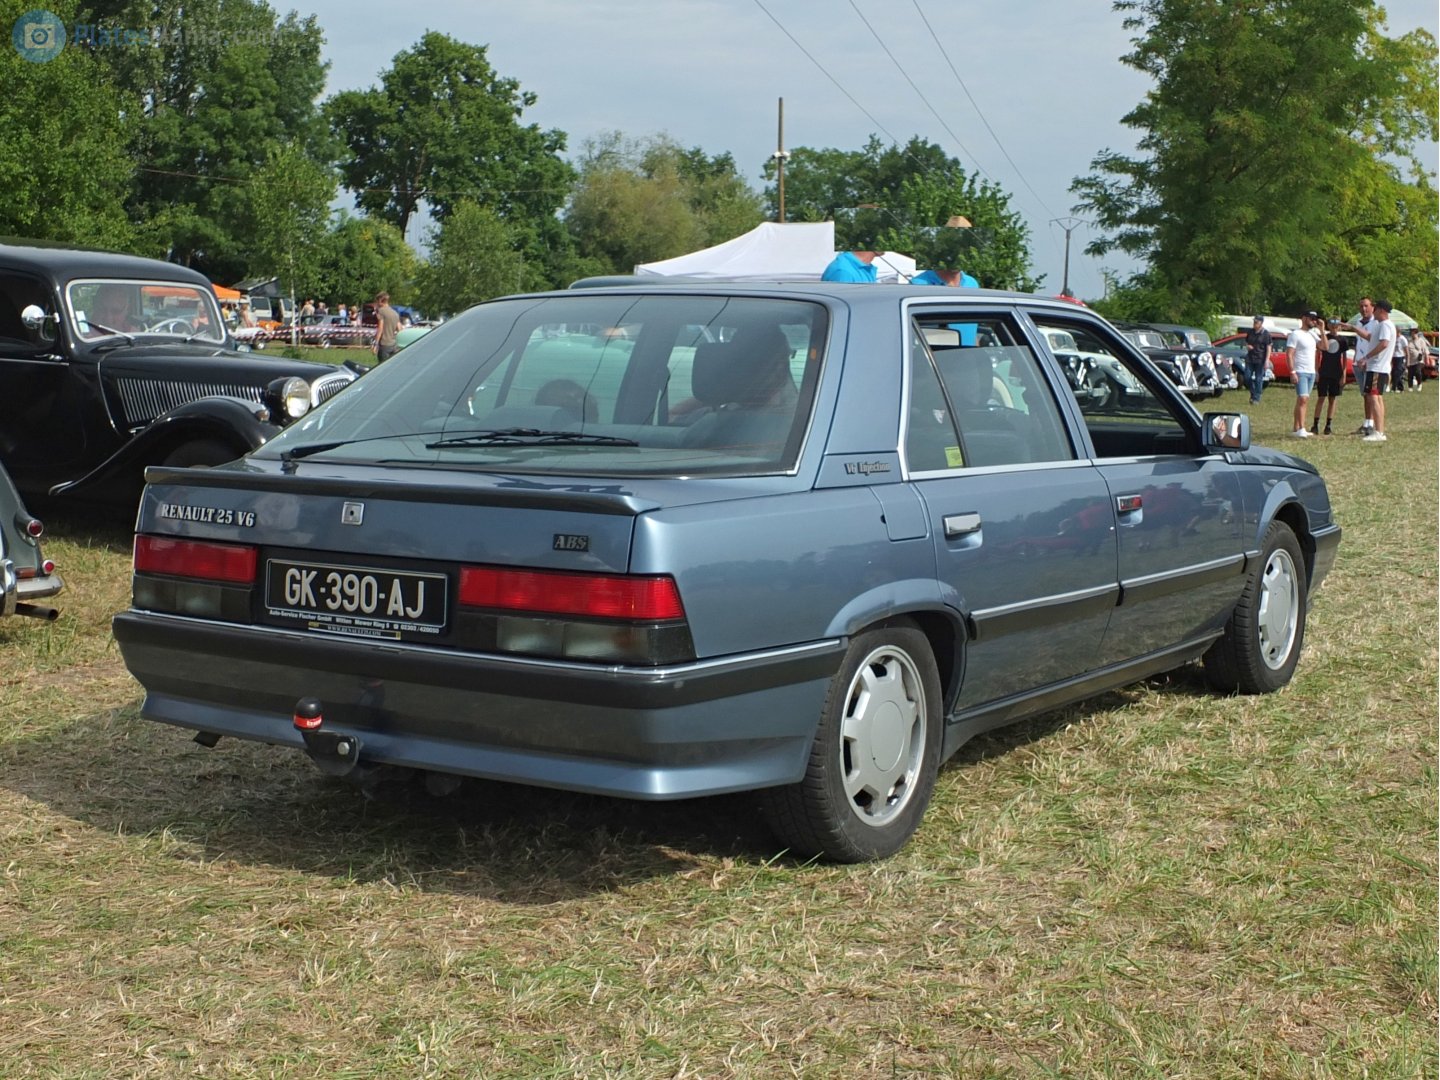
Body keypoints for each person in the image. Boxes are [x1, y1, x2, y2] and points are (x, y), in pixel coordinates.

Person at [1351, 299, 1396, 442]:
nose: (1372, 311)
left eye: (1375, 308)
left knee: (1374, 397)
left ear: (1381, 310)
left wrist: (1366, 357)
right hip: (1378, 367)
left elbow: (1384, 344)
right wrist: (1353, 328)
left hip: (1377, 367)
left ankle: (1379, 432)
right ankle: (1379, 430)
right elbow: (1370, 338)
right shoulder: (1381, 325)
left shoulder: (1385, 325)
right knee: (1377, 397)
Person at [1337, 297, 1376, 434]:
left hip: (1369, 363)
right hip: (1358, 362)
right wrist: (1356, 359)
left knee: (1371, 394)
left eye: (1366, 306)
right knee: (1365, 394)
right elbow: (1360, 342)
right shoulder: (1359, 322)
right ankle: (1366, 422)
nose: (1363, 309)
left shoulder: (1376, 323)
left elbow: (1370, 339)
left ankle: (1372, 423)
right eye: (1361, 306)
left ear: (1372, 307)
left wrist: (1367, 359)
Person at [1286, 311, 1321, 438]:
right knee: (1303, 399)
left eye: (1315, 319)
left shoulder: (1313, 334)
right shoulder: (1295, 334)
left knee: (1303, 400)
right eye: (1312, 319)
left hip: (1311, 371)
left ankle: (1296, 428)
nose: (1314, 321)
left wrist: (1322, 330)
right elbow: (1289, 354)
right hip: (1300, 371)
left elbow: (1324, 346)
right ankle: (1301, 428)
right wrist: (1292, 372)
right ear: (1304, 318)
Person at [1314, 318, 1346, 435]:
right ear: (1328, 325)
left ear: (1339, 326)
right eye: (1332, 324)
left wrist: (1343, 374)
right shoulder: (1324, 337)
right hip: (1324, 371)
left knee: (1333, 399)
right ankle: (1315, 424)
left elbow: (1344, 358)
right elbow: (1317, 354)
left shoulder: (1342, 340)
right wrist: (1316, 371)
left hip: (1336, 372)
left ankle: (1328, 425)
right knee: (1321, 397)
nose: (1334, 327)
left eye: (1336, 324)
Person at [1243, 315, 1272, 405]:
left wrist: (1267, 360)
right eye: (1254, 322)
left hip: (1260, 359)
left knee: (1259, 379)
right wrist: (1247, 346)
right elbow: (1246, 342)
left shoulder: (1266, 334)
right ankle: (1253, 392)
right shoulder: (1250, 332)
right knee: (1246, 377)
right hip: (1250, 358)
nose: (1254, 323)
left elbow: (1269, 347)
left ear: (1261, 323)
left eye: (1256, 322)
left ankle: (1256, 398)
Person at [372, 291, 401, 363]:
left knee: (383, 366)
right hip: (394, 345)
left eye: (377, 301)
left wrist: (375, 344)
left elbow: (380, 328)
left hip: (384, 344)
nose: (376, 303)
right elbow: (400, 329)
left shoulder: (381, 311)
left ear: (380, 300)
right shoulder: (395, 313)